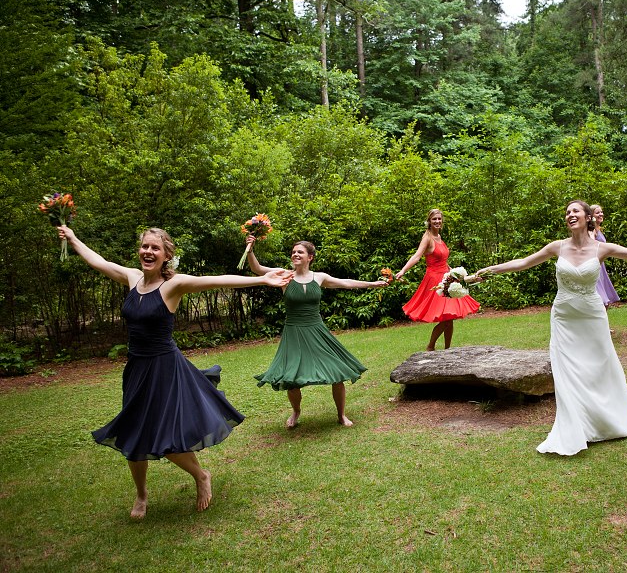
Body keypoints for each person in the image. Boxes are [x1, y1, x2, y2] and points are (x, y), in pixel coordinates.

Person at [57, 225, 292, 519]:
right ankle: (141, 495)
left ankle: (201, 476)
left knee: (165, 436)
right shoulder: (132, 278)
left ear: (167, 255)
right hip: (136, 369)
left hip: (165, 369)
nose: (148, 252)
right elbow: (99, 261)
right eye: (145, 247)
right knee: (133, 432)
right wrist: (74, 238)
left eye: (155, 248)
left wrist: (262, 279)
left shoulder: (172, 285)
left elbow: (214, 281)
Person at [475, 200, 627, 456]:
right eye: (567, 212)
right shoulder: (557, 247)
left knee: (600, 366)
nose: (570, 215)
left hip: (591, 316)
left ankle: (607, 421)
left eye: (575, 211)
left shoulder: (602, 248)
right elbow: (522, 262)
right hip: (564, 317)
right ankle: (574, 426)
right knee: (567, 370)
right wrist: (488, 271)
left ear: (588, 217)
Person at [246, 237, 387, 428]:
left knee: (337, 372)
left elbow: (345, 283)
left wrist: (371, 284)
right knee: (291, 378)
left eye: (300, 252)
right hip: (294, 331)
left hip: (317, 329)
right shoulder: (284, 275)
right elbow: (258, 269)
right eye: (294, 252)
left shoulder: (319, 277)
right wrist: (250, 249)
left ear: (310, 257)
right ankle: (296, 412)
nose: (295, 254)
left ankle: (341, 415)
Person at [395, 208, 480, 351]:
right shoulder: (427, 237)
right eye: (434, 219)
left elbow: (444, 261)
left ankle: (447, 349)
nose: (437, 221)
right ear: (429, 221)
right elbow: (417, 256)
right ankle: (430, 347)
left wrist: (457, 275)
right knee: (447, 317)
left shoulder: (439, 238)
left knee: (449, 316)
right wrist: (403, 270)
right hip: (435, 281)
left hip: (447, 278)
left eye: (439, 219)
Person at [589, 204, 620, 306]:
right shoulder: (592, 230)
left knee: (604, 301)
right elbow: (591, 243)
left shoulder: (598, 229)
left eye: (601, 212)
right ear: (591, 215)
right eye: (597, 212)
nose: (601, 214)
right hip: (594, 264)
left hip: (601, 265)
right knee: (601, 300)